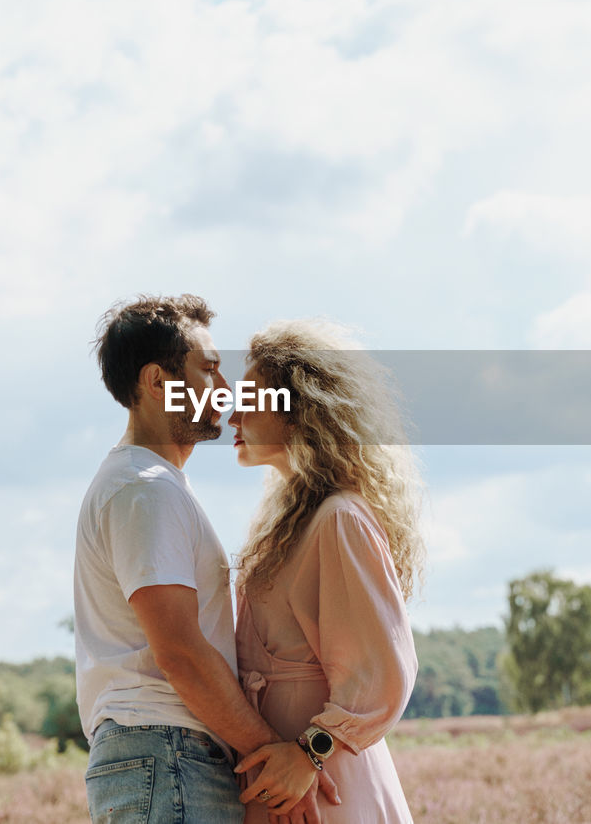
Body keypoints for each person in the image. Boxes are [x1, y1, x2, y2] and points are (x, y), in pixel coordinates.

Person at [74, 295, 338, 824]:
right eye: (210, 370)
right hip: (167, 755)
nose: (226, 391)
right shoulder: (144, 489)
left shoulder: (154, 486)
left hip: (168, 757)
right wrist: (277, 756)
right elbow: (181, 652)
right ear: (157, 382)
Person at [228, 320, 424, 823]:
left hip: (329, 787)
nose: (233, 415)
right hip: (287, 787)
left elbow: (383, 671)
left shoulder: (338, 518)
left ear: (297, 413)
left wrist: (312, 751)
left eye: (250, 399)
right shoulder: (296, 520)